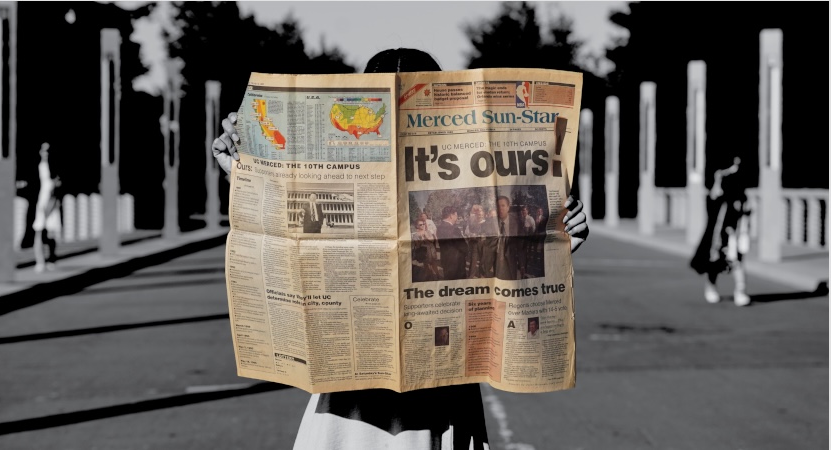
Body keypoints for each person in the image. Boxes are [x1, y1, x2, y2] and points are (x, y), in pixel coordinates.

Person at [212, 48, 589, 450]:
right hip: (349, 418)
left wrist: (557, 243)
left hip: (438, 404)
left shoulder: (471, 192)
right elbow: (286, 241)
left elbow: (501, 286)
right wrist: (244, 168)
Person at [690, 157, 751, 306]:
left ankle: (740, 291)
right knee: (715, 262)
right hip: (718, 235)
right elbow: (713, 198)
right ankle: (711, 287)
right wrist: (720, 176)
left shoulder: (740, 196)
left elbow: (745, 213)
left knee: (737, 261)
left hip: (734, 234)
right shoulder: (718, 196)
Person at [32, 143, 62, 272]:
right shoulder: (40, 167)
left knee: (51, 234)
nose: (46, 153)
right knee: (39, 232)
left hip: (51, 205)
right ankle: (40, 261)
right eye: (44, 150)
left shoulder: (54, 169)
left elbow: (55, 191)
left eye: (48, 150)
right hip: (42, 204)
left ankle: (51, 259)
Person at [437, 206, 468, 280]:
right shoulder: (454, 229)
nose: (457, 217)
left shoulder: (439, 227)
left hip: (446, 260)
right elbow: (462, 246)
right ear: (451, 216)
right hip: (456, 263)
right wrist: (467, 251)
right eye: (456, 215)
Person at [494, 196, 521, 280]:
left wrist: (522, 264)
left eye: (503, 205)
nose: (500, 208)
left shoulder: (517, 222)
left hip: (511, 257)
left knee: (511, 279)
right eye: (498, 206)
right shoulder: (491, 222)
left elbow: (521, 244)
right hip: (496, 257)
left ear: (508, 207)